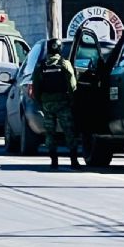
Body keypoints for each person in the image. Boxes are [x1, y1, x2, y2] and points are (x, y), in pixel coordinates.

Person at [32, 38, 79, 169]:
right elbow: (72, 84)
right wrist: (73, 100)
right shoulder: (65, 64)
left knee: (50, 133)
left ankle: (54, 161)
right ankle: (74, 161)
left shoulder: (41, 66)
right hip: (63, 103)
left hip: (47, 104)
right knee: (69, 131)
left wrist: (40, 102)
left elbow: (35, 86)